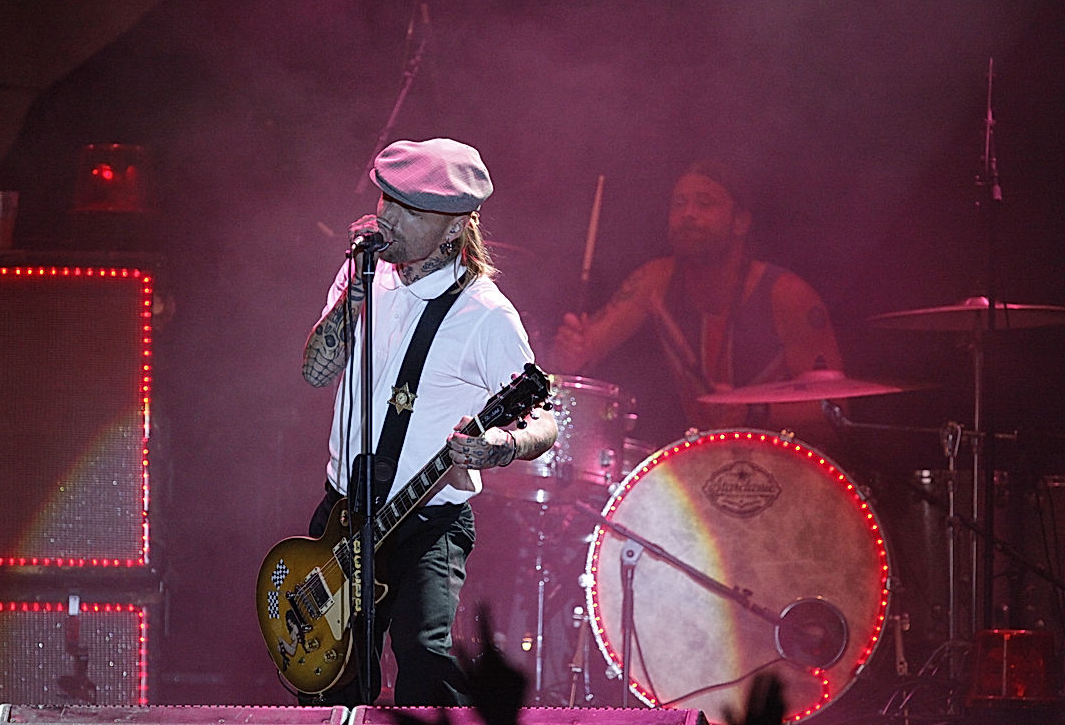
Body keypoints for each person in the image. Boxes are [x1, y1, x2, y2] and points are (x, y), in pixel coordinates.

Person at [300, 137, 558, 706]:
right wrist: (354, 295)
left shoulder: (485, 314)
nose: (385, 217)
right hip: (344, 511)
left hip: (425, 522)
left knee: (427, 661)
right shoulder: (362, 277)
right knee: (329, 678)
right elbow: (317, 374)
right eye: (385, 199)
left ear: (452, 226)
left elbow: (546, 421)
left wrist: (498, 447)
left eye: (405, 208)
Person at [552, 160, 842, 447]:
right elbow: (577, 359)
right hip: (700, 460)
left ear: (740, 222)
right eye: (679, 204)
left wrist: (753, 411)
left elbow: (834, 409)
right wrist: (569, 354)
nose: (688, 214)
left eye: (704, 204)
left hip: (784, 463)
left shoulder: (787, 296)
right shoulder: (655, 280)